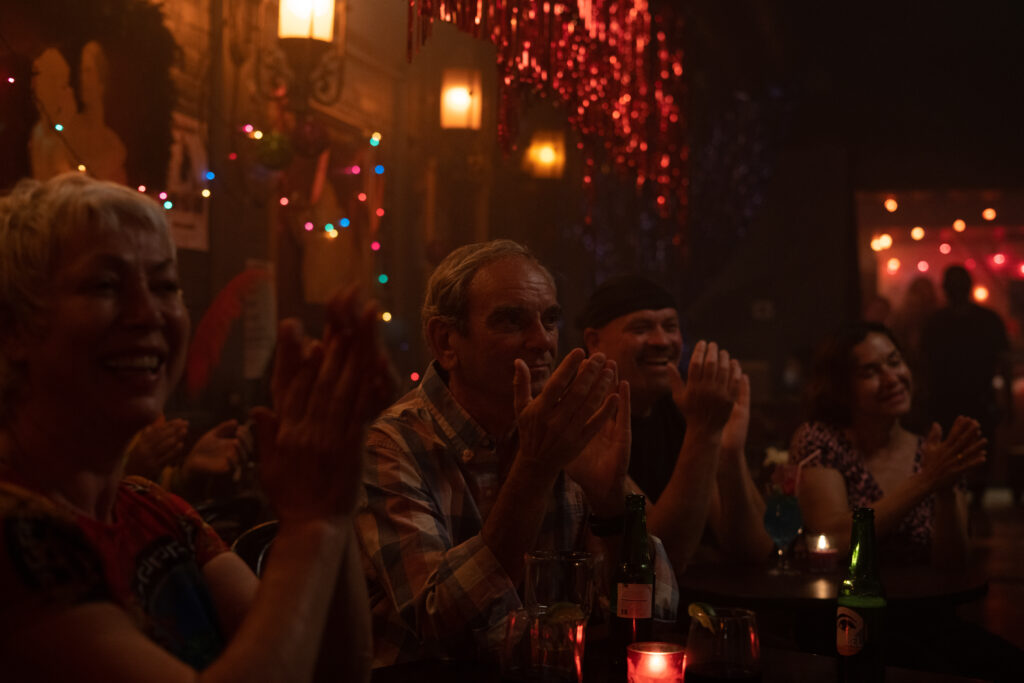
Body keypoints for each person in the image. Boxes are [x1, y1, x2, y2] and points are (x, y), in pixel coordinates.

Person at [0, 172, 393, 681]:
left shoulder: (153, 511)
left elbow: (328, 667)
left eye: (164, 285)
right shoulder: (13, 531)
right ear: (12, 329)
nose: (149, 314)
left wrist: (334, 495)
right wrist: (312, 521)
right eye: (105, 285)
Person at [356, 240, 679, 666]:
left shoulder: (564, 428)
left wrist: (612, 508)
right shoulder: (392, 445)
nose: (542, 340)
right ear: (445, 341)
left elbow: (662, 609)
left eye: (550, 319)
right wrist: (534, 468)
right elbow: (440, 626)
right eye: (511, 321)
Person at [578, 275, 773, 570]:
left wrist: (729, 451)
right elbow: (662, 558)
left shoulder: (682, 412)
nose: (661, 341)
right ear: (594, 341)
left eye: (670, 327)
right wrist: (704, 433)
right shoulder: (585, 421)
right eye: (641, 328)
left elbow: (755, 549)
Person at [791, 321, 985, 566]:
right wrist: (927, 480)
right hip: (845, 600)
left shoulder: (932, 452)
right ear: (840, 387)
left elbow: (954, 564)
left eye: (895, 362)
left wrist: (945, 491)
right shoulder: (821, 441)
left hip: (922, 601)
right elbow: (833, 539)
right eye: (870, 372)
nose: (892, 378)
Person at [923, 265, 1011, 506]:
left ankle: (968, 501)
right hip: (957, 398)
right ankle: (966, 501)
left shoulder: (937, 322)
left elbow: (1003, 363)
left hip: (968, 398)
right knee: (971, 449)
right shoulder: (982, 320)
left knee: (976, 449)